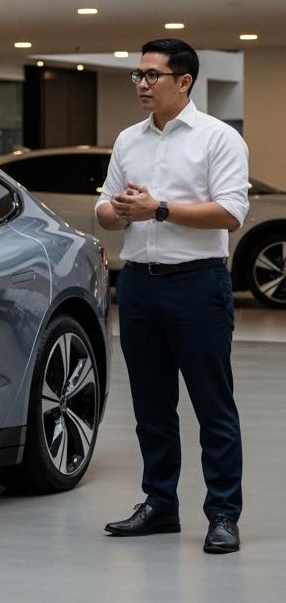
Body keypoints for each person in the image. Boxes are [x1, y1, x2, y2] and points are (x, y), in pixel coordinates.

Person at [97, 38, 249, 554]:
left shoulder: (218, 138)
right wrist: (117, 210)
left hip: (198, 284)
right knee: (151, 406)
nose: (141, 84)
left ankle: (223, 514)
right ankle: (160, 504)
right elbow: (104, 209)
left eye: (151, 75)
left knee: (213, 405)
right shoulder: (127, 140)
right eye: (137, 75)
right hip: (138, 283)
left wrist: (159, 209)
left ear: (184, 82)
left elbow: (230, 213)